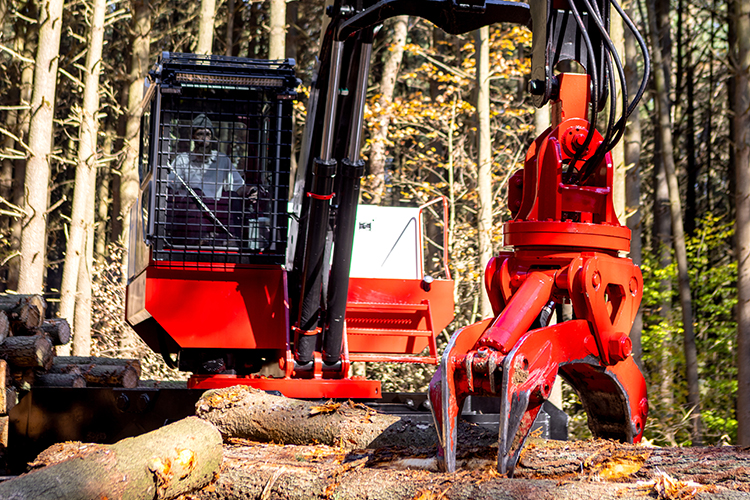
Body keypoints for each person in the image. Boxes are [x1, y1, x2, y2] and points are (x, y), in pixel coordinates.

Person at [166, 114, 257, 246]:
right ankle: (199, 240)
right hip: (191, 218)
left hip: (217, 216)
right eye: (200, 134)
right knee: (196, 193)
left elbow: (238, 187)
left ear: (212, 137)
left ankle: (231, 240)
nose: (204, 138)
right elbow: (169, 187)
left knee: (231, 196)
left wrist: (251, 191)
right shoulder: (182, 160)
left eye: (207, 134)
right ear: (193, 136)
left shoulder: (222, 160)